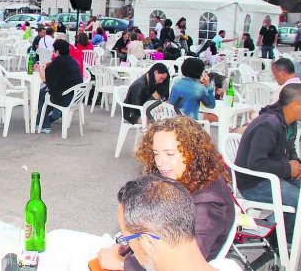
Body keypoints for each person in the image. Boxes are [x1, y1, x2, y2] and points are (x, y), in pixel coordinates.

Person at [98, 174, 240, 271]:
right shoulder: (229, 266)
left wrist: (121, 263)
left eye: (127, 239)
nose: (128, 245)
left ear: (148, 243)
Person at [235, 84, 301, 243]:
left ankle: (275, 229)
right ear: (295, 106)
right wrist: (288, 168)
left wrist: (296, 164)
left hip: (275, 176)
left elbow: (290, 149)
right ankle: (284, 242)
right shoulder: (268, 124)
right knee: (299, 200)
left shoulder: (289, 122)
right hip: (254, 183)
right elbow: (256, 163)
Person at [36, 39, 83, 134]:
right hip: (76, 98)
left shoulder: (57, 62)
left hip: (65, 99)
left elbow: (45, 79)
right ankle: (48, 118)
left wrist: (41, 68)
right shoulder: (73, 61)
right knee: (48, 94)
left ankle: (44, 125)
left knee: (42, 94)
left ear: (57, 51)